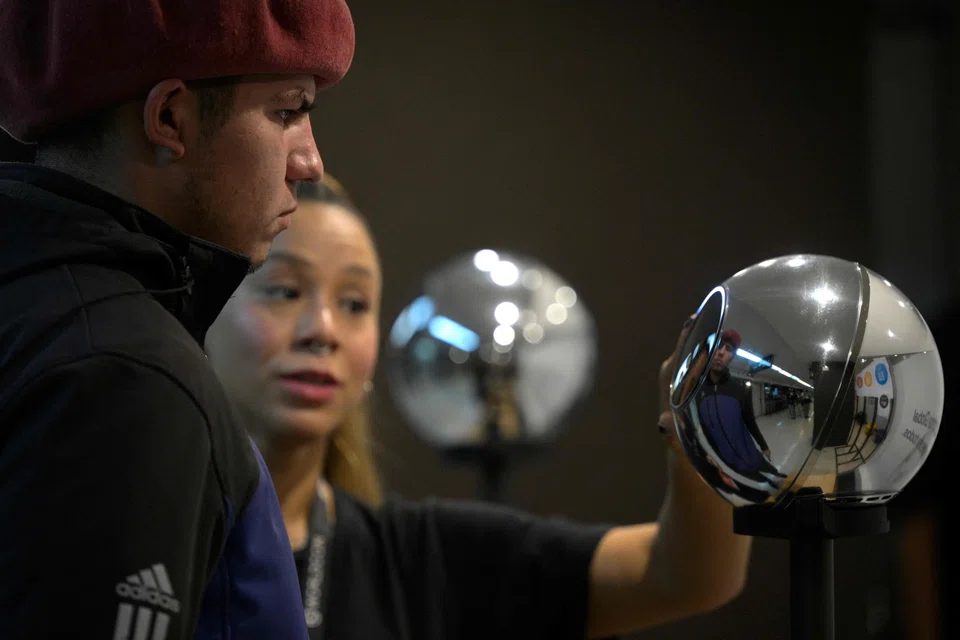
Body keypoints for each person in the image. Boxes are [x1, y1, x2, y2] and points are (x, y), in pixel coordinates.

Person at [205, 178, 754, 639]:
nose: (323, 331)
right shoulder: (137, 530)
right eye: (283, 291)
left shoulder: (419, 561)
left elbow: (685, 576)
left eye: (353, 304)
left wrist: (705, 435)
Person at [0, 1, 354, 638]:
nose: (310, 162)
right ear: (170, 117)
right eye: (288, 110)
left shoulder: (31, 300)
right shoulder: (128, 380)